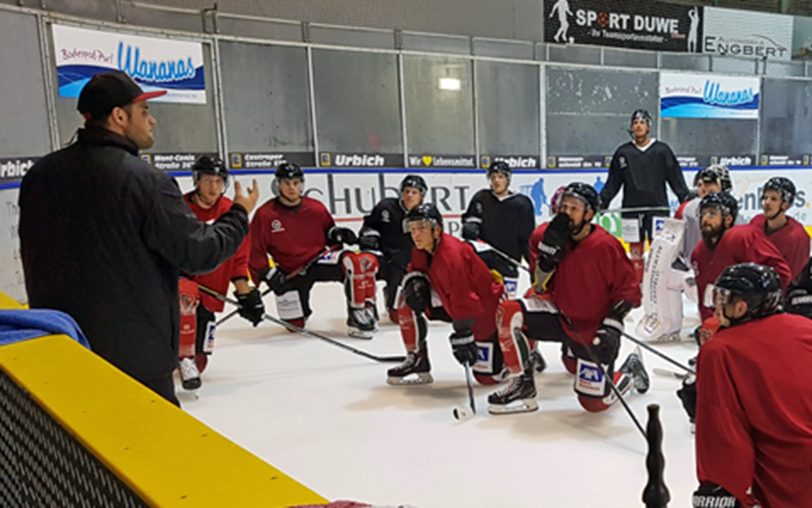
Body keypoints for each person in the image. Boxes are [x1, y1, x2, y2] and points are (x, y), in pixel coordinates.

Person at [19, 71, 258, 406]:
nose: (153, 120)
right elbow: (199, 252)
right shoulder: (145, 181)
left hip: (62, 351)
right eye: (144, 112)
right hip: (135, 364)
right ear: (119, 116)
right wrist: (239, 214)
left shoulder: (39, 175)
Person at [487, 183, 649, 414]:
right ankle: (522, 383)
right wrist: (546, 260)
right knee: (510, 311)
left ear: (590, 214)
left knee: (593, 403)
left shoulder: (606, 246)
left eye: (574, 208)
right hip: (561, 314)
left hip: (591, 325)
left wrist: (612, 326)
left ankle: (630, 372)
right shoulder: (544, 236)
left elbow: (630, 293)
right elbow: (539, 288)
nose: (567, 213)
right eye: (564, 207)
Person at [691, 263, 812, 507]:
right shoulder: (806, 327)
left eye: (723, 298)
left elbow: (723, 427)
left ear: (742, 306)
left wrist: (722, 486)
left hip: (788, 476)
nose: (717, 307)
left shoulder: (720, 350)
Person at [248, 163, 379, 338]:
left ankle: (360, 312)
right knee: (294, 326)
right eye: (287, 183)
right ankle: (300, 312)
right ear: (278, 184)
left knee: (354, 261)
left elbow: (329, 233)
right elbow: (255, 250)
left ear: (302, 184)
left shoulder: (315, 208)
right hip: (290, 270)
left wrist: (339, 234)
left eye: (296, 183)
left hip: (318, 261)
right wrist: (268, 274)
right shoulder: (265, 215)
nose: (292, 188)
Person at [386, 203, 508, 386]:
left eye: (421, 228)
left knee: (487, 378)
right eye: (412, 229)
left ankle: (524, 346)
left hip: (485, 310)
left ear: (436, 230)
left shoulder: (452, 257)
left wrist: (463, 334)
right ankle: (417, 358)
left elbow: (466, 299)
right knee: (406, 299)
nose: (415, 234)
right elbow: (417, 270)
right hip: (453, 301)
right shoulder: (421, 248)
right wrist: (414, 281)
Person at [176, 155, 264, 390]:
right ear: (196, 181)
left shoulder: (231, 211)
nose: (214, 187)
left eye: (218, 181)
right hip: (178, 290)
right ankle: (182, 355)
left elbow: (239, 257)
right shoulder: (179, 208)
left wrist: (246, 294)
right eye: (207, 181)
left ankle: (186, 352)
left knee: (201, 360)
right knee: (184, 300)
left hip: (210, 292)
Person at [636, 164, 733, 343]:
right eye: (701, 184)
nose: (704, 188)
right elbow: (673, 243)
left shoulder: (734, 216)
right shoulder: (687, 208)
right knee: (664, 274)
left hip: (720, 282)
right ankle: (668, 325)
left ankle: (719, 323)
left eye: (710, 184)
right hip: (693, 271)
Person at [600, 109, 690, 283]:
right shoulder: (623, 153)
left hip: (657, 209)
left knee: (658, 249)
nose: (638, 125)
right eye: (635, 122)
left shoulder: (662, 151)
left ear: (648, 126)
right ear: (631, 127)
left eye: (642, 122)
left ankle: (658, 284)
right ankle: (637, 285)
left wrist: (684, 197)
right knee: (635, 251)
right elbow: (613, 182)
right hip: (631, 210)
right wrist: (603, 201)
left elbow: (675, 177)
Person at [691, 192, 792, 323]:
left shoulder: (742, 236)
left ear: (728, 219)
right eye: (702, 214)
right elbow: (705, 297)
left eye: (712, 213)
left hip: (753, 318)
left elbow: (781, 273)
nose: (705, 219)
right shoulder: (699, 251)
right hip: (724, 321)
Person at [358, 174, 427, 323]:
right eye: (407, 191)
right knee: (364, 264)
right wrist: (369, 236)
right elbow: (369, 226)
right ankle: (366, 306)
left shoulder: (426, 214)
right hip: (383, 257)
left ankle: (393, 299)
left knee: (397, 317)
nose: (409, 195)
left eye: (414, 192)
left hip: (407, 263)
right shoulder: (386, 207)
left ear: (422, 195)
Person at [461, 161, 535, 297]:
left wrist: (533, 264)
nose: (496, 180)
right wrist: (470, 227)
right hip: (483, 262)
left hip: (508, 263)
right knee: (483, 300)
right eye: (493, 177)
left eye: (500, 177)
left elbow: (527, 238)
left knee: (506, 304)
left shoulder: (522, 204)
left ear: (508, 179)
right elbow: (470, 219)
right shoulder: (481, 198)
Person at [749, 176, 810, 280]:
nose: (767, 202)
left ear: (785, 205)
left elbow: (793, 278)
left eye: (773, 199)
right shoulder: (756, 223)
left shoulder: (798, 237)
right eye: (765, 197)